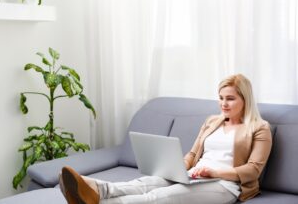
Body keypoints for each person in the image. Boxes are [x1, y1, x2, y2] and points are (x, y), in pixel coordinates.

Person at [58, 74, 272, 204]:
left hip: (225, 185)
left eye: (230, 99)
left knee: (159, 197)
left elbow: (253, 170)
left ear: (245, 100)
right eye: (221, 98)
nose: (223, 104)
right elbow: (192, 154)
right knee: (147, 183)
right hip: (194, 174)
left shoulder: (259, 128)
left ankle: (92, 200)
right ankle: (96, 188)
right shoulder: (212, 121)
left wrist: (213, 172)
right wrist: (176, 168)